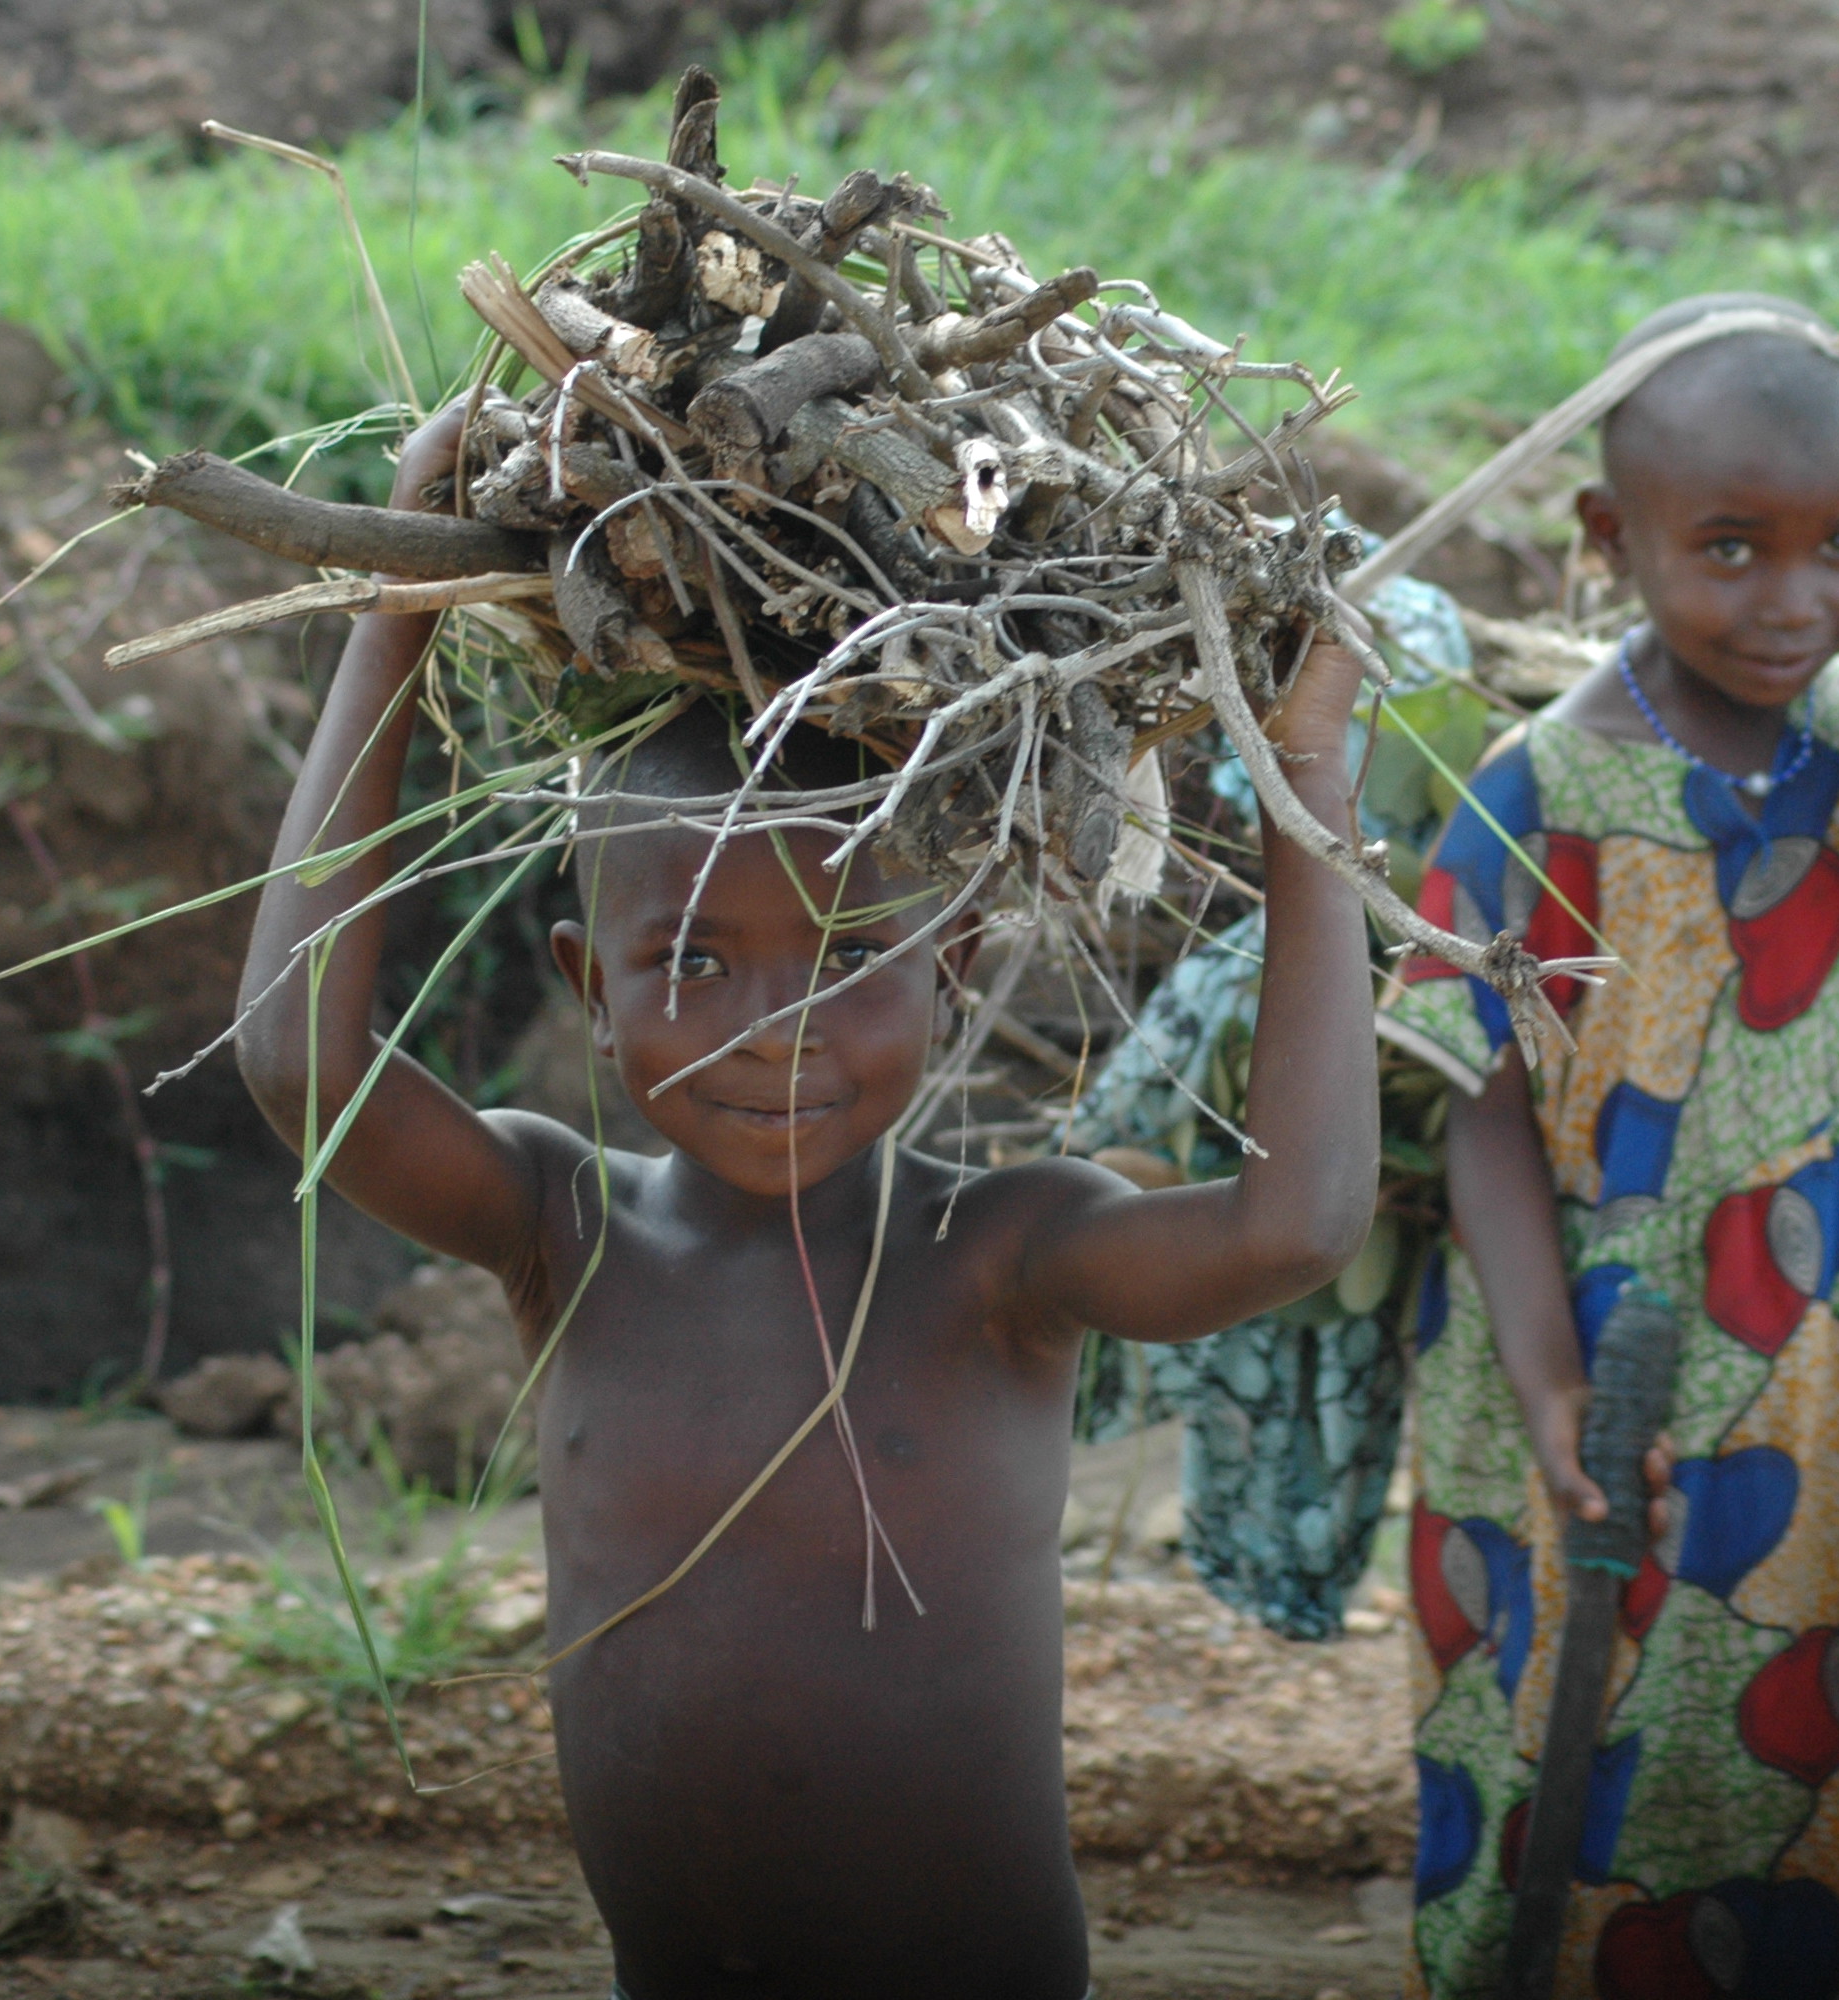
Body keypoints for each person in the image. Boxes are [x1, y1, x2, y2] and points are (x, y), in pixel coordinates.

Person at [232, 402, 1380, 1999]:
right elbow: (303, 1064)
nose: (778, 1030)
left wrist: (1306, 779)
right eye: (691, 961)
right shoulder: (564, 1230)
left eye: (851, 962)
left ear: (954, 965)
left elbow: (1295, 1228)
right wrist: (391, 622)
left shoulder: (1004, 1259)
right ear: (585, 981)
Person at [1381, 294, 1839, 1998]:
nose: (1793, 600)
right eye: (1730, 548)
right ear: (1612, 540)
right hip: (1604, 1342)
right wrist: (1546, 1387)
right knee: (1589, 1727)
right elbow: (1486, 1108)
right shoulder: (1535, 789)